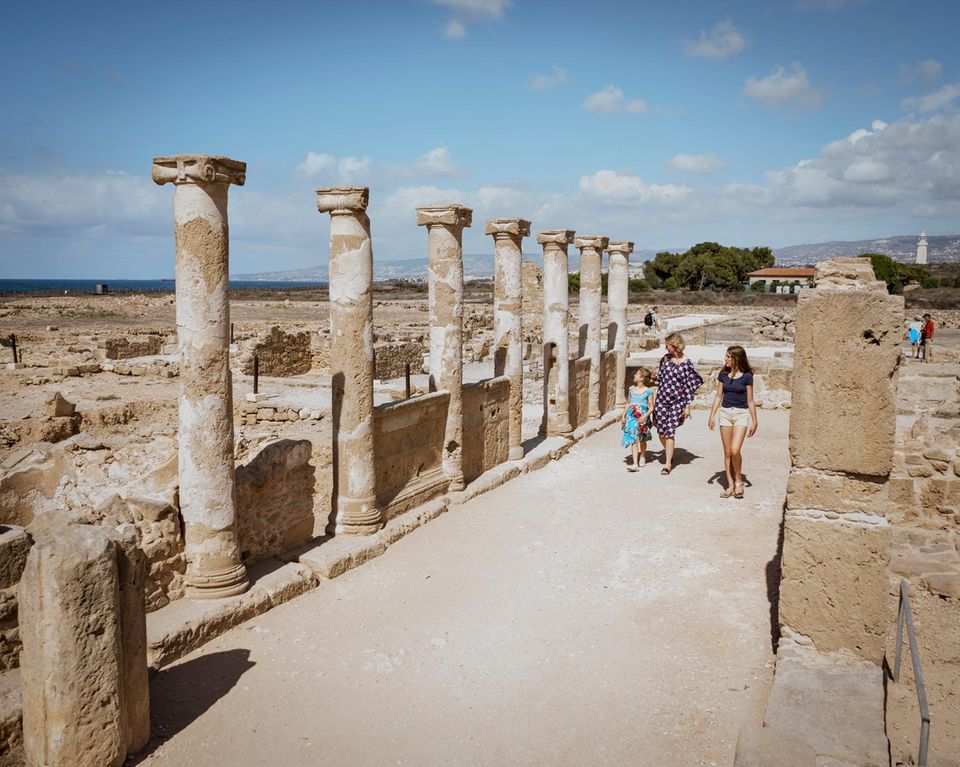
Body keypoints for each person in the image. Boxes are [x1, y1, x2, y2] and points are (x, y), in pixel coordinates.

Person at [708, 346, 758, 499]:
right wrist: (712, 415)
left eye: (728, 357)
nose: (726, 359)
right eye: (726, 356)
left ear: (737, 358)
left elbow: (750, 400)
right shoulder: (723, 374)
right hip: (725, 413)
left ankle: (739, 480)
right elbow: (718, 396)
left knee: (735, 450)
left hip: (741, 414)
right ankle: (730, 484)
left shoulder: (747, 376)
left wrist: (754, 421)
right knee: (727, 451)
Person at [652, 332, 703, 475]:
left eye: (667, 345)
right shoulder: (665, 360)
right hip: (661, 399)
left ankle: (668, 463)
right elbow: (660, 379)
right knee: (661, 431)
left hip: (677, 402)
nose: (665, 348)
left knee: (669, 431)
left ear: (675, 345)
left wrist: (687, 406)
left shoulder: (687, 364)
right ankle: (670, 452)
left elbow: (690, 386)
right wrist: (654, 376)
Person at [620, 367, 656, 471]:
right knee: (633, 439)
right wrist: (623, 416)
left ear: (642, 378)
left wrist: (645, 416)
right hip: (631, 417)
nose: (634, 375)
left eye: (636, 374)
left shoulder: (648, 391)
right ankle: (635, 464)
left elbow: (652, 406)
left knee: (642, 439)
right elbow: (628, 403)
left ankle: (643, 455)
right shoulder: (631, 389)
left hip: (642, 417)